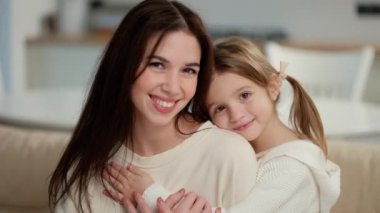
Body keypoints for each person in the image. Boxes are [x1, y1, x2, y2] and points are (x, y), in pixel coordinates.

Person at [48, 1, 258, 212]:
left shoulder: (230, 157)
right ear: (123, 65)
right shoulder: (83, 167)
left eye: (188, 70)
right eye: (157, 65)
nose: (173, 88)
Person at [104, 37, 341, 212]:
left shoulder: (290, 168)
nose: (236, 114)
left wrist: (150, 192)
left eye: (245, 95)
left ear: (272, 87)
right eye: (220, 108)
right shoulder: (244, 151)